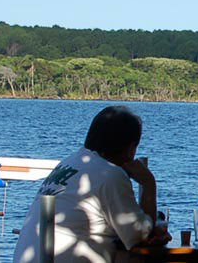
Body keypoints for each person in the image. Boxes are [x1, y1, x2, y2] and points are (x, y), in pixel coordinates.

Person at [13, 106, 171, 262]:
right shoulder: (109, 173)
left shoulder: (70, 162)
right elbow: (139, 237)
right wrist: (148, 183)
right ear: (130, 148)